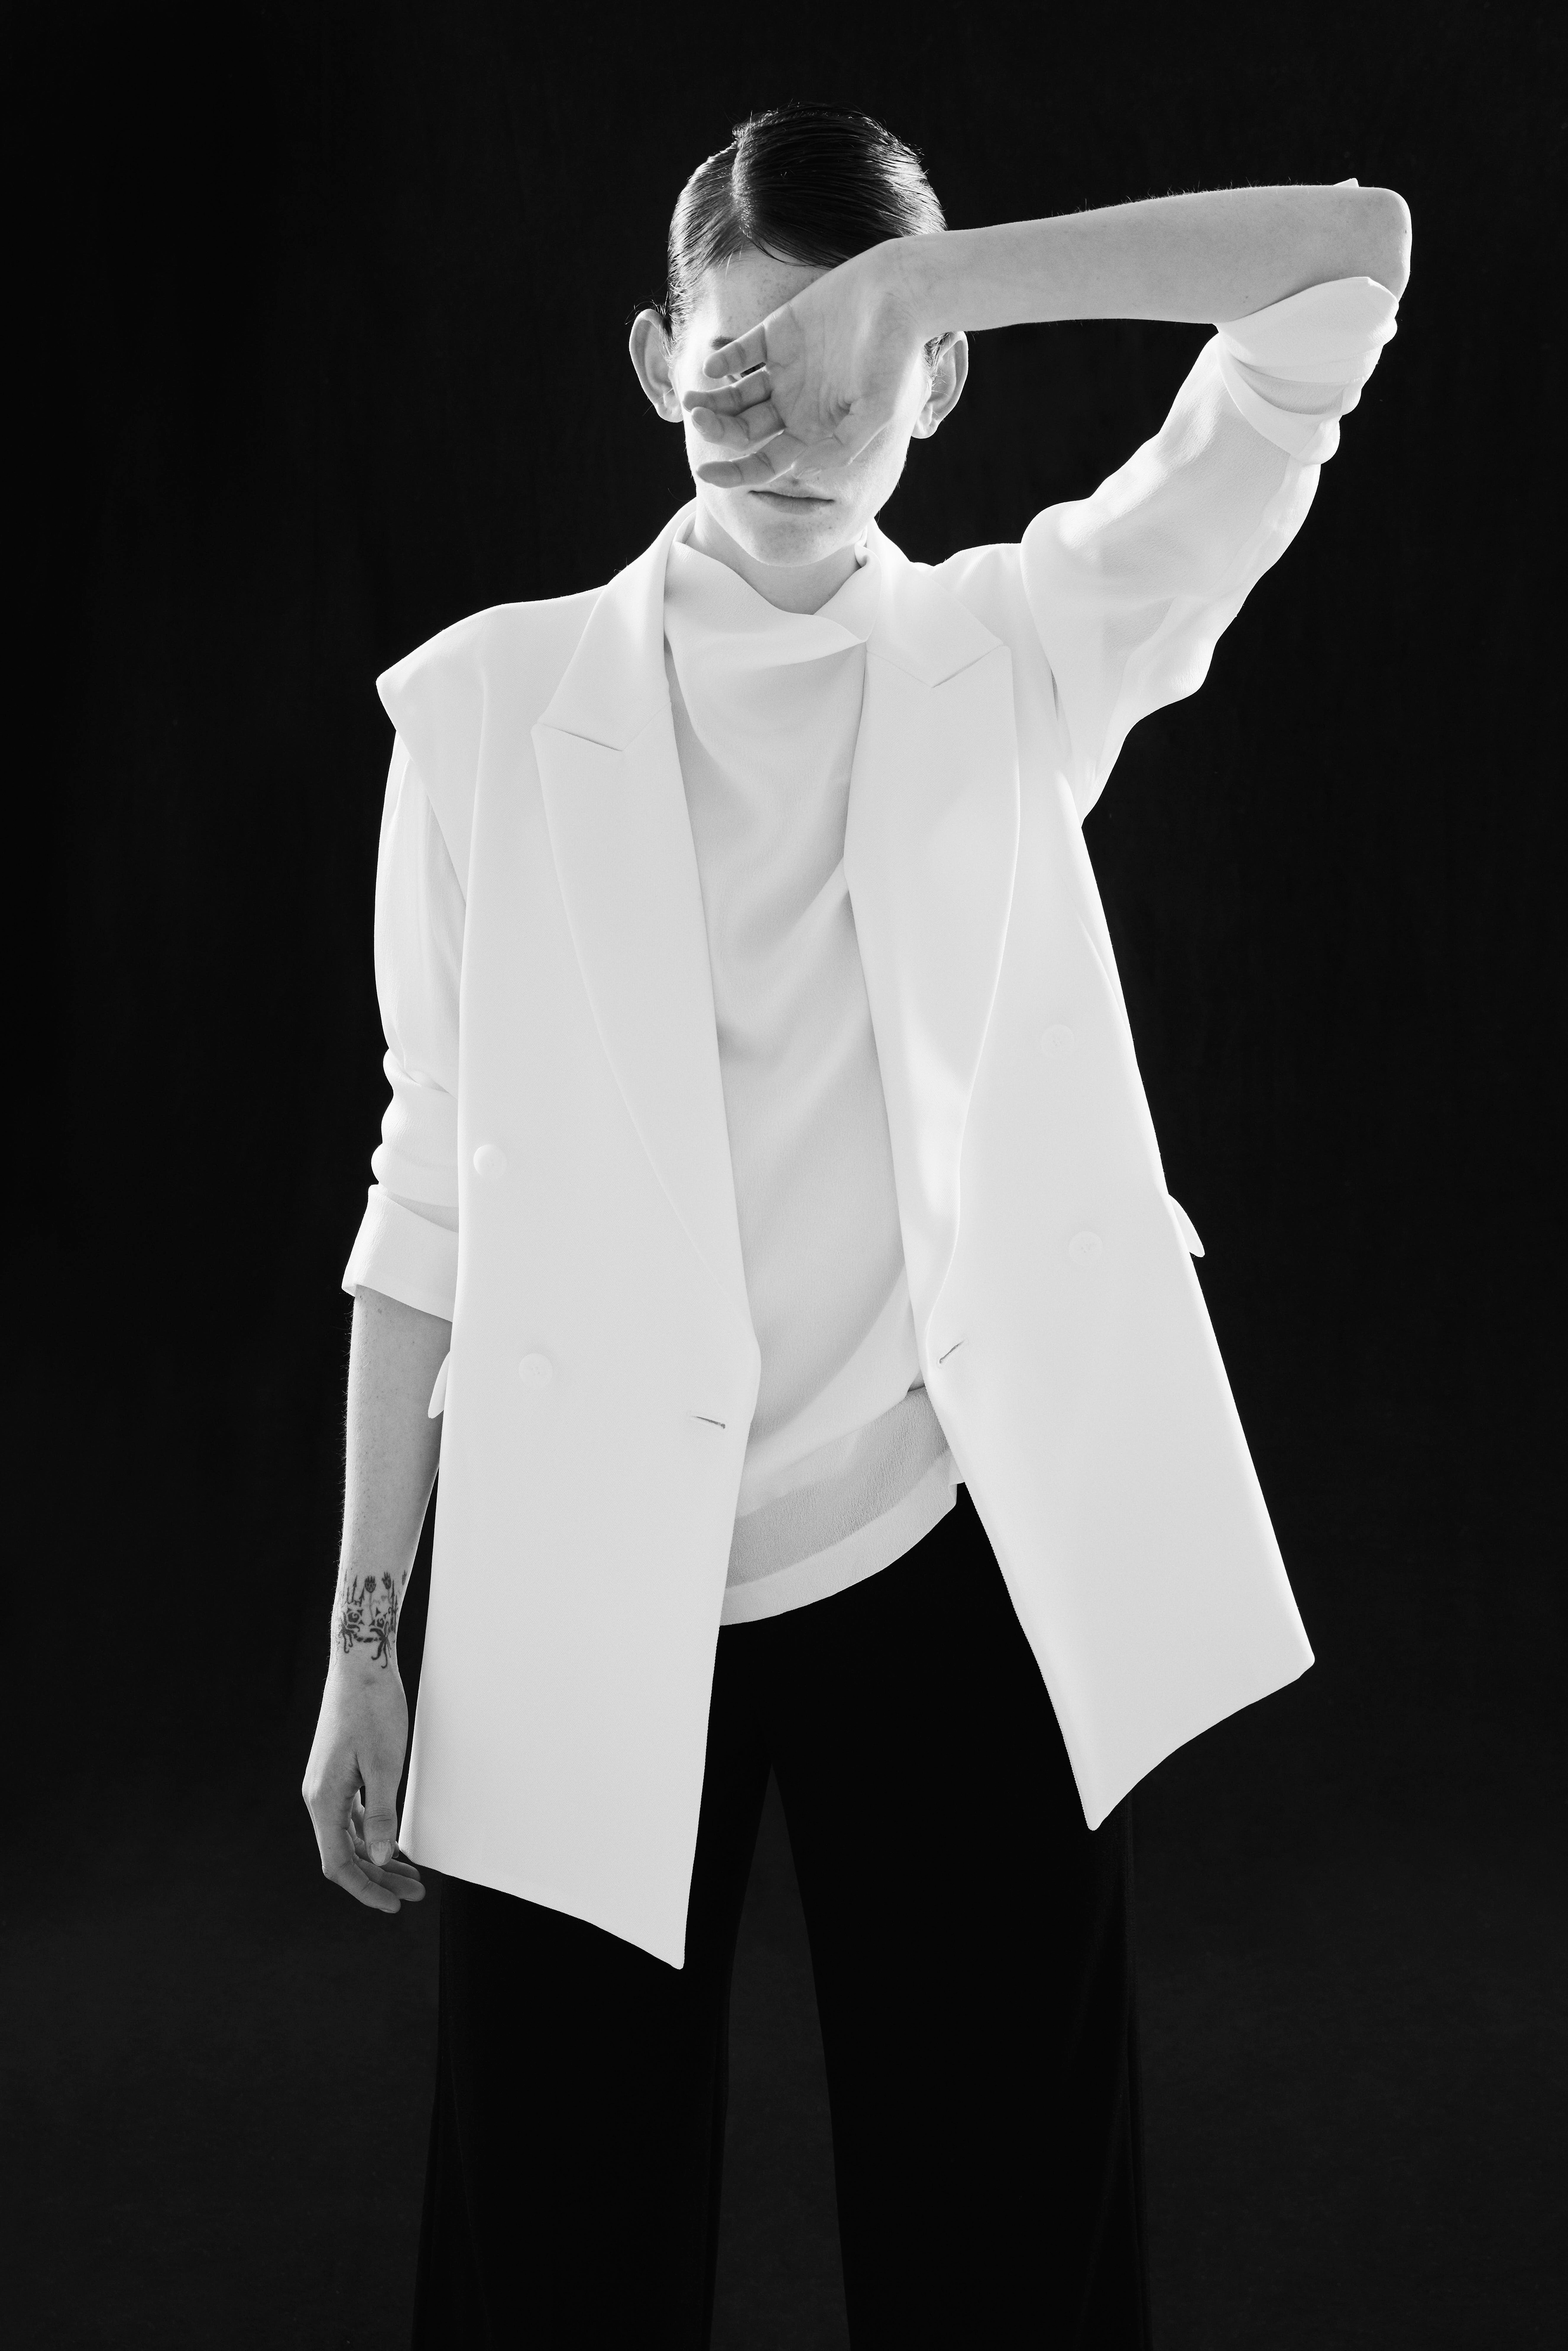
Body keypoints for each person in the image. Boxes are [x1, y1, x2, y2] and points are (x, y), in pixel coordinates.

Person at [302, 102, 1410, 2350]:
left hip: (946, 1543)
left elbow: (1351, 259)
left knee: (1011, 2246)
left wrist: (929, 282)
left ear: (936, 375)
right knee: (551, 2260)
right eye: (739, 366)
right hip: (583, 1561)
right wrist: (363, 1638)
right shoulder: (489, 705)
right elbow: (426, 1193)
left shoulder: (1024, 647)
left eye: (846, 367)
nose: (790, 422)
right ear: (654, 366)